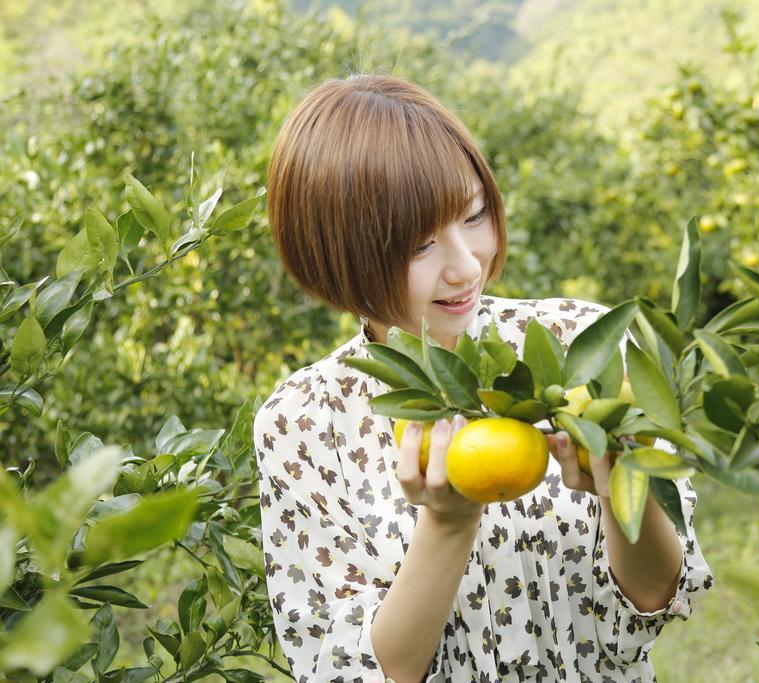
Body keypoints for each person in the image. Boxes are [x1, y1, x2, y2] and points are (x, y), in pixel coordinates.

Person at [255, 73, 712, 683]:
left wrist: (616, 487)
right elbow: (359, 669)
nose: (466, 264)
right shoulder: (305, 423)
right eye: (421, 246)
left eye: (474, 216)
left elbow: (654, 596)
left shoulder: (581, 345)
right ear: (340, 255)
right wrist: (447, 522)